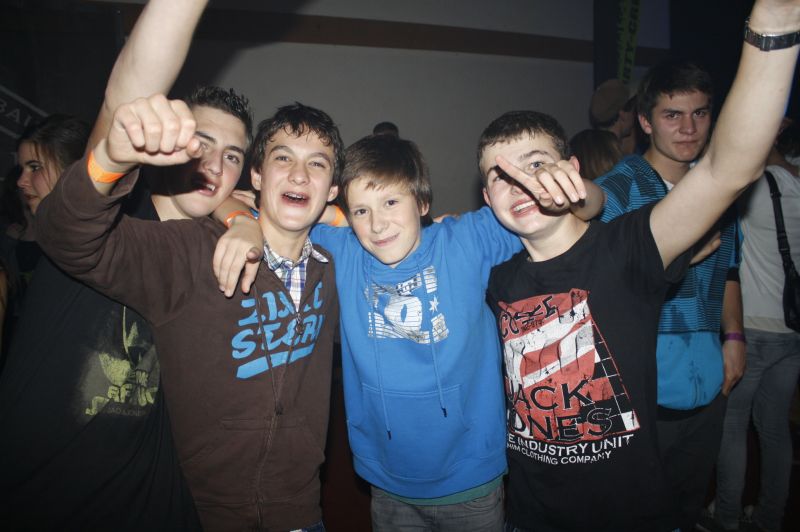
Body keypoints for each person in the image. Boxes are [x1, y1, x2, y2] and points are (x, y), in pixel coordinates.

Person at [480, 1, 800, 529]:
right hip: (530, 515)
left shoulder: (626, 249)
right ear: (487, 197)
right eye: (500, 176)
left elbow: (726, 170)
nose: (521, 183)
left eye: (535, 165)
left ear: (571, 169)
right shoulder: (496, 279)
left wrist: (775, 25)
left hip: (628, 511)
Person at [215, 130, 603, 531]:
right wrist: (240, 220)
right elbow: (241, 203)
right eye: (361, 211)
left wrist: (582, 190)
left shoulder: (466, 240)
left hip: (471, 478)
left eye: (391, 202)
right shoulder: (344, 250)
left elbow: (583, 208)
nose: (377, 224)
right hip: (387, 481)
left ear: (422, 202)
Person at [35, 95, 342, 531]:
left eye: (317, 163)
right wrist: (109, 161)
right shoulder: (189, 250)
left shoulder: (335, 271)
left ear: (332, 189)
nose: (298, 174)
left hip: (301, 512)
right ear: (256, 175)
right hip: (202, 515)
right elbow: (67, 236)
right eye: (283, 157)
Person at [0, 0, 250, 529]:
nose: (214, 164)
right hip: (36, 498)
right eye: (203, 143)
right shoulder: (109, 211)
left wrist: (243, 219)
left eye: (232, 156)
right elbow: (126, 94)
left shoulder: (216, 248)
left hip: (150, 502)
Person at [594, 59, 744, 532]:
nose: (688, 128)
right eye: (672, 115)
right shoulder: (617, 192)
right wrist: (675, 258)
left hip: (709, 382)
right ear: (645, 120)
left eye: (700, 113)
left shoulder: (717, 190)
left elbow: (731, 268)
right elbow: (600, 284)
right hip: (644, 386)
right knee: (636, 513)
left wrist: (734, 337)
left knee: (687, 507)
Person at [705, 120, 800, 532]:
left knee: (733, 427)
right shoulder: (796, 179)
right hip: (792, 328)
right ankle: (768, 519)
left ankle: (725, 517)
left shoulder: (756, 185)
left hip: (754, 324)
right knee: (775, 429)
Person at [589, 78, 636, 155]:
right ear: (623, 114)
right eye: (633, 110)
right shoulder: (616, 156)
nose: (635, 115)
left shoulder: (593, 152)